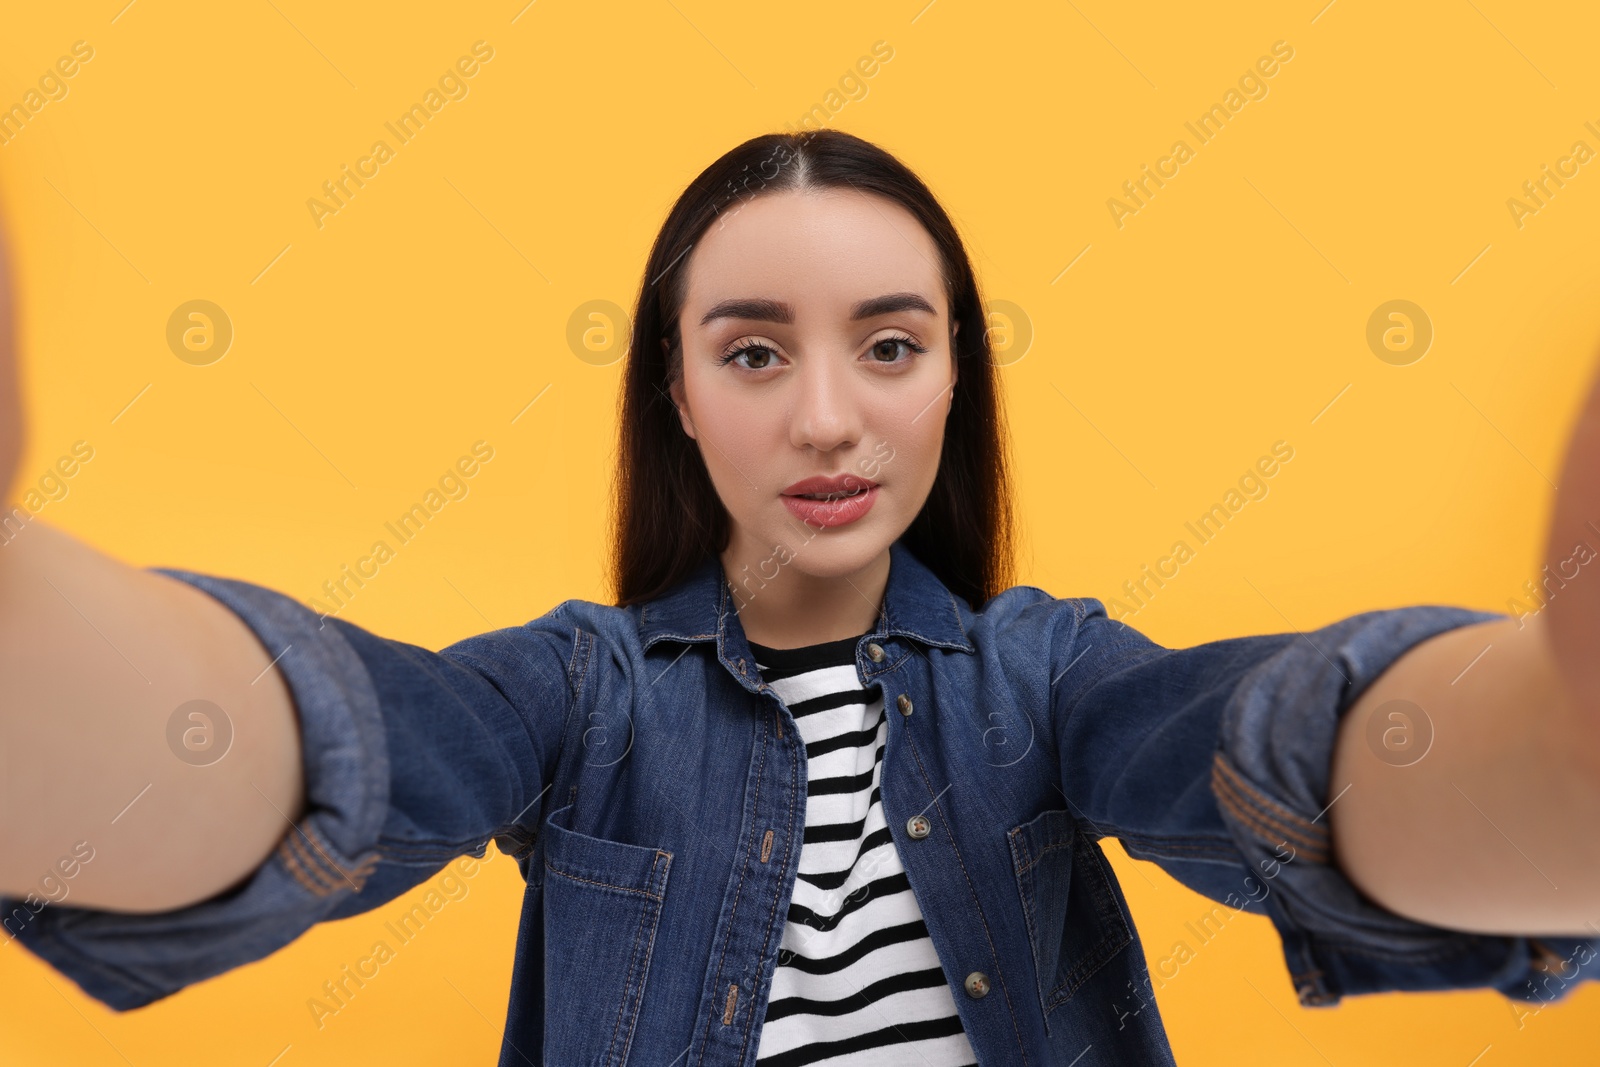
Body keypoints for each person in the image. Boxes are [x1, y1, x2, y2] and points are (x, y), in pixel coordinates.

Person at [2, 128, 1598, 1066]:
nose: (827, 417)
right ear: (679, 397)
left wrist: (1559, 734)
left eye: (891, 346)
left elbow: (1260, 756)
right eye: (753, 352)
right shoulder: (585, 696)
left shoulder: (1043, 682)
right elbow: (366, 745)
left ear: (954, 383)